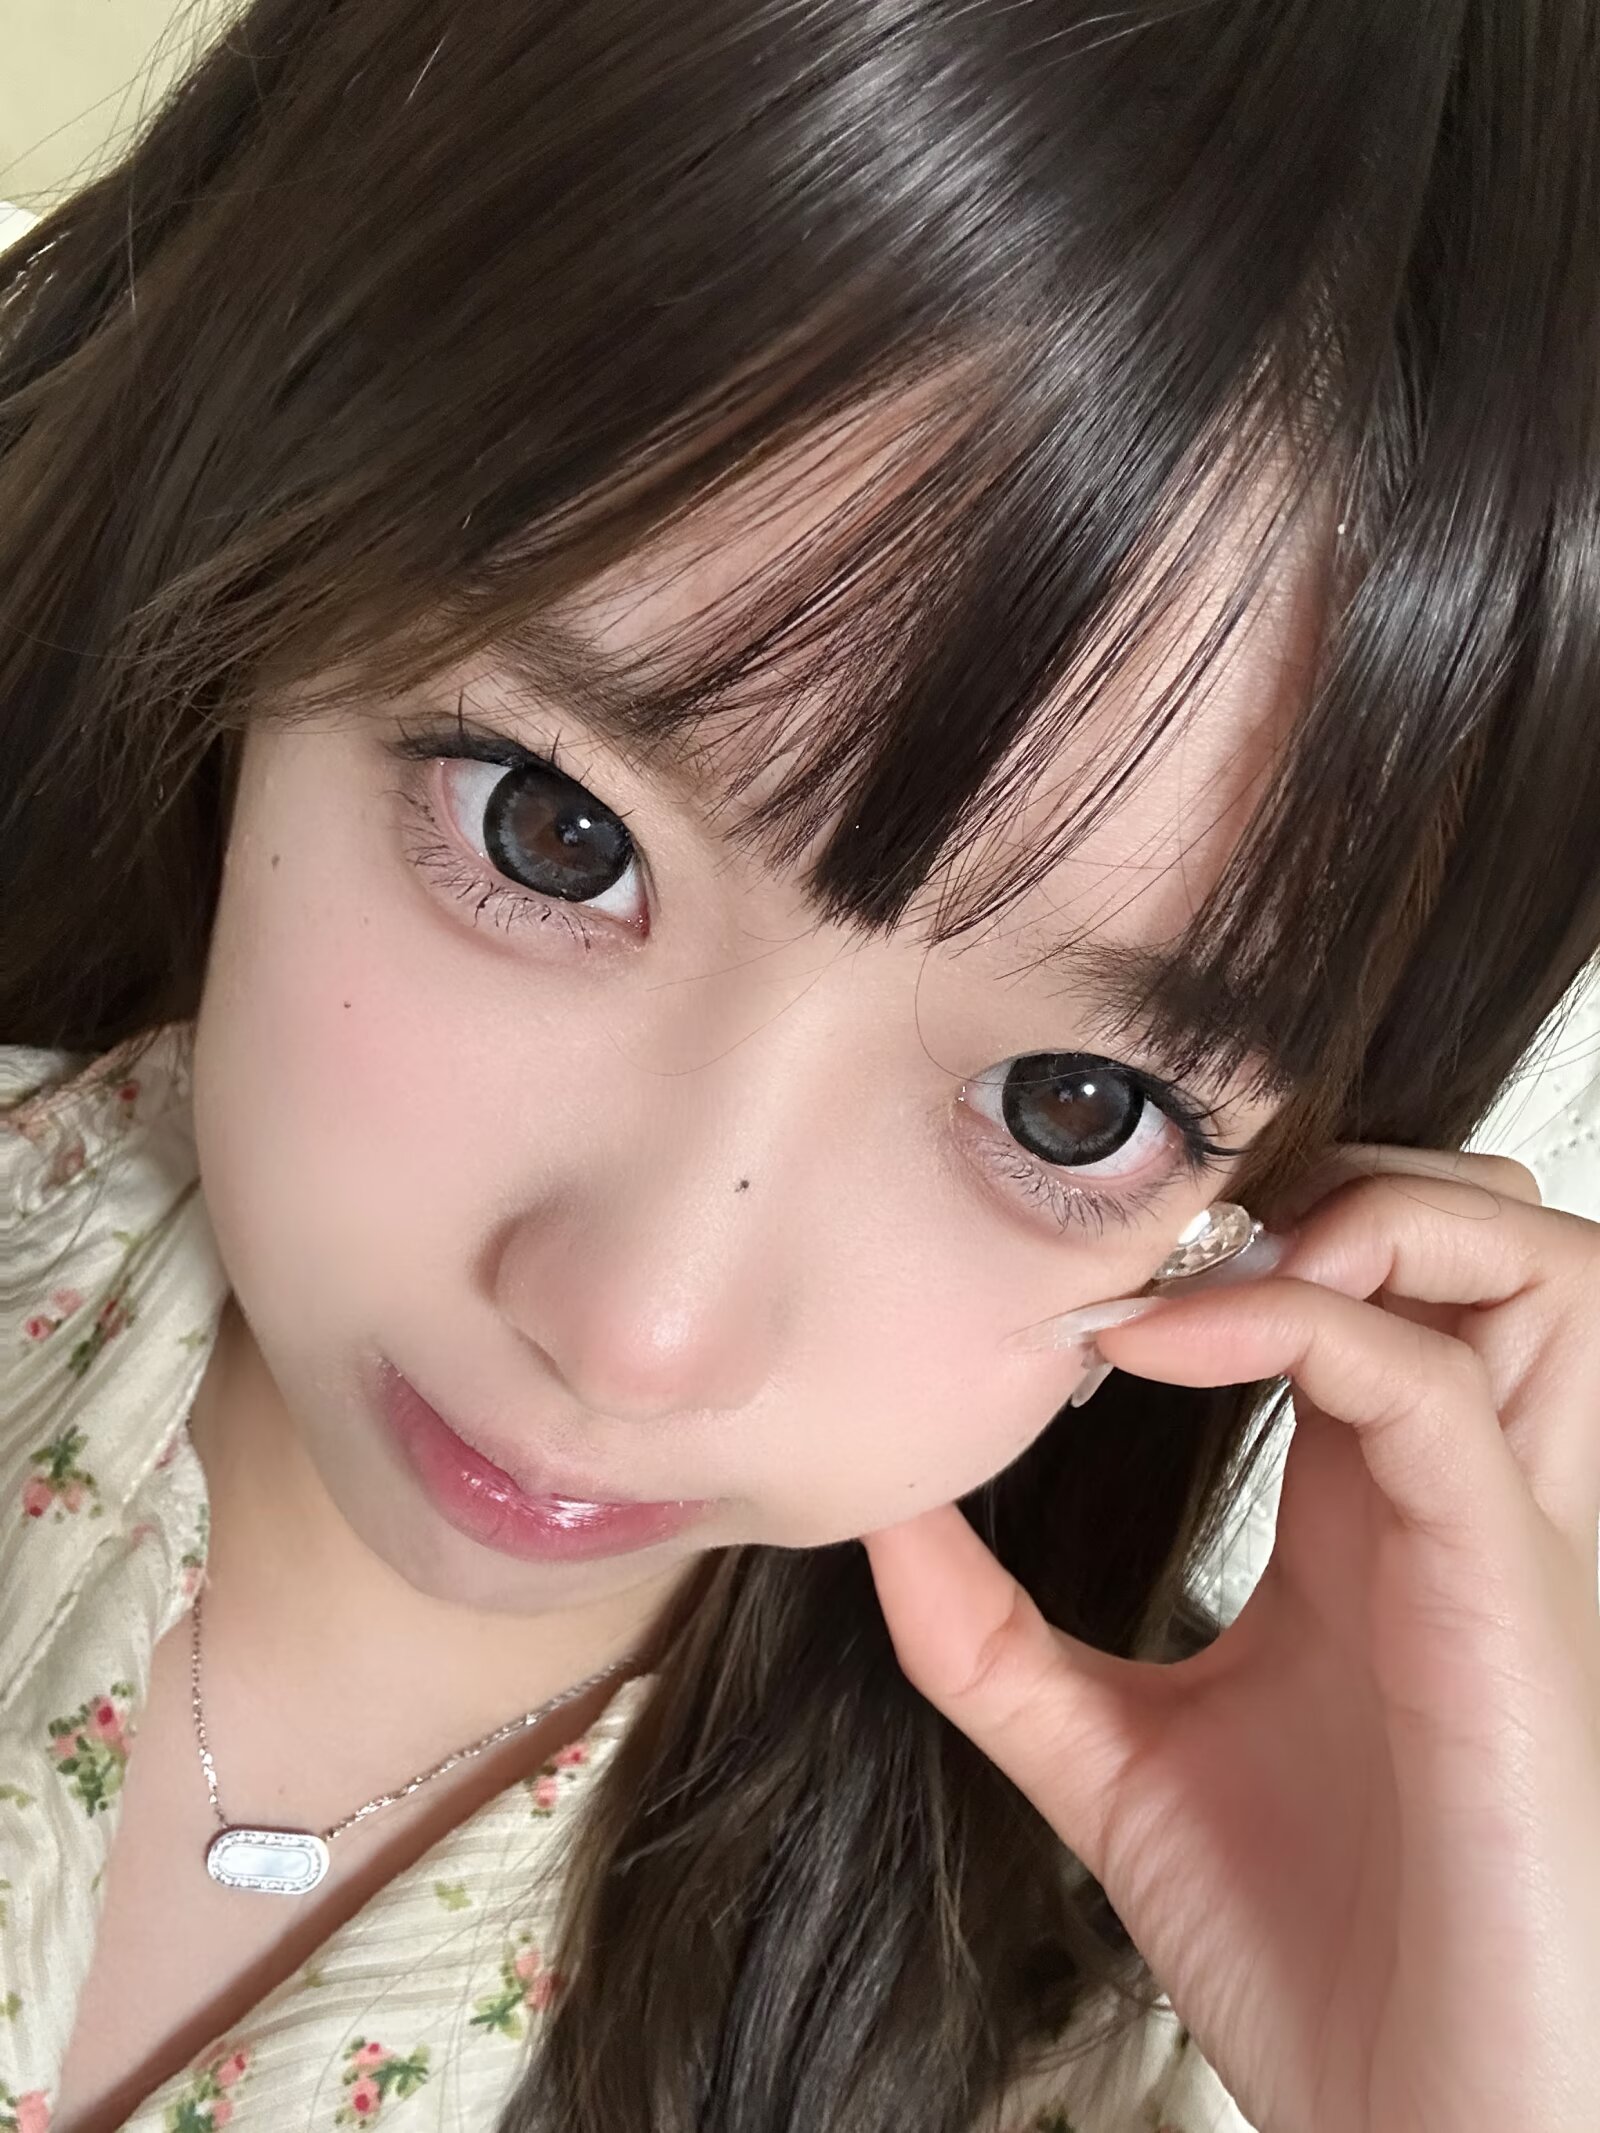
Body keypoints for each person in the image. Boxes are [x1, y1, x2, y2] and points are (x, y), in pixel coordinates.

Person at [2, 2, 1598, 2129]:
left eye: (1072, 1103)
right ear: (258, 584)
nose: (636, 1330)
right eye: (549, 833)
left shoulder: (1099, 2039)